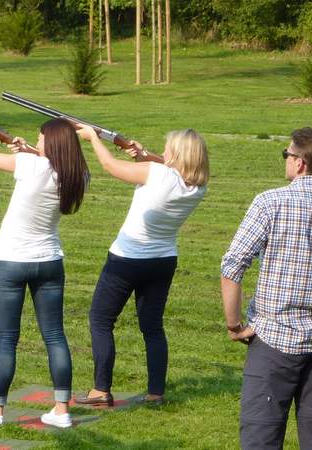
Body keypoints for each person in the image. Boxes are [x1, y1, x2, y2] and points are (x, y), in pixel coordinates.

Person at [0, 116, 89, 428]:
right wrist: (23, 150)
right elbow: (44, 161)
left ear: (51, 143)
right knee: (55, 335)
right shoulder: (78, 173)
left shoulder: (32, 165)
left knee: (6, 338)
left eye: (40, 139)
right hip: (49, 261)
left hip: (10, 261)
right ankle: (62, 411)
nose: (36, 143)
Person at [220, 127, 312, 450]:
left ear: (300, 163)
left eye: (286, 154)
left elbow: (233, 266)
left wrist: (235, 325)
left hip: (273, 339)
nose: (286, 160)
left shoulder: (270, 202)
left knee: (261, 436)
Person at [75, 126, 209, 406]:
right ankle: (155, 393)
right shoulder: (196, 186)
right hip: (163, 261)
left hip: (126, 259)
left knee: (100, 320)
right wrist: (144, 155)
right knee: (152, 328)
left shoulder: (157, 173)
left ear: (177, 154)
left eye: (167, 147)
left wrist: (94, 138)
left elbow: (110, 166)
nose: (164, 151)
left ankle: (101, 390)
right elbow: (171, 170)